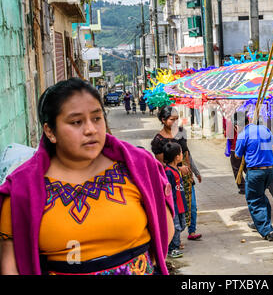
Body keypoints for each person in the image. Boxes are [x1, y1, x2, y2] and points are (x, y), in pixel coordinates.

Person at [0, 78, 174, 275]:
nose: (91, 129)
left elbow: (165, 227)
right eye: (76, 122)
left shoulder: (139, 167)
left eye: (97, 118)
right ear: (50, 131)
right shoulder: (22, 189)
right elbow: (11, 265)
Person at [151, 106, 202, 241]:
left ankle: (192, 231)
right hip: (171, 179)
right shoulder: (158, 140)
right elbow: (162, 164)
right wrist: (179, 169)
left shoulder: (180, 132)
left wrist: (195, 172)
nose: (175, 122)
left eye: (176, 119)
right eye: (171, 119)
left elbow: (186, 153)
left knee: (192, 206)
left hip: (186, 176)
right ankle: (174, 238)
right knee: (175, 207)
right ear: (163, 120)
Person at [235, 117, 273, 241]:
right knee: (261, 197)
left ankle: (266, 230)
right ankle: (259, 222)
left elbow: (237, 155)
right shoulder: (264, 129)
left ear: (238, 126)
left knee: (254, 200)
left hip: (255, 172)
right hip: (269, 170)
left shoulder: (243, 134)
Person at [164, 142, 187, 259]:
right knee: (176, 227)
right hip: (174, 206)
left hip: (180, 204)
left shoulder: (175, 170)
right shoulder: (168, 172)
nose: (182, 155)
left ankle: (174, 244)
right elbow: (169, 192)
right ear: (177, 157)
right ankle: (173, 248)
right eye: (181, 153)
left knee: (182, 226)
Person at [224, 112, 247, 195]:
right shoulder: (247, 123)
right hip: (246, 149)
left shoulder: (231, 123)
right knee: (247, 168)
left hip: (235, 149)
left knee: (236, 169)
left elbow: (228, 135)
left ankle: (243, 187)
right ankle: (253, 184)